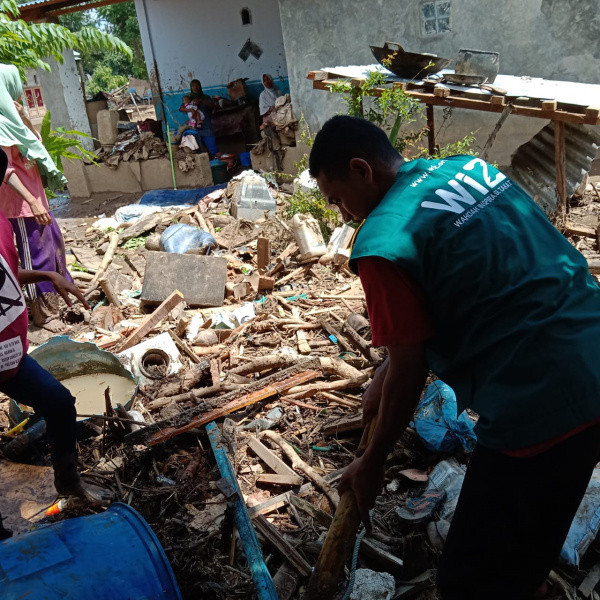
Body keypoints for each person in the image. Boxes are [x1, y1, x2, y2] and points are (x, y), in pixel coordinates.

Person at [308, 115, 600, 599]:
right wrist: (386, 367)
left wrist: (372, 462)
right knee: (532, 542)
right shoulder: (468, 170)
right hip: (591, 349)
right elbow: (481, 277)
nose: (342, 215)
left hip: (539, 401)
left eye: (337, 198)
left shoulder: (382, 242)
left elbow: (410, 371)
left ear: (362, 170)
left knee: (468, 579)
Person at [0, 147, 93, 540]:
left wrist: (47, 275)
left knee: (59, 403)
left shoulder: (3, 223)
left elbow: (5, 272)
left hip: (8, 352)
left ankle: (70, 487)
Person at [0, 64, 72, 332]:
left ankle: (60, 300)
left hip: (37, 202)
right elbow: (5, 170)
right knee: (34, 259)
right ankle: (43, 314)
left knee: (53, 248)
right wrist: (31, 201)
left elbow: (35, 142)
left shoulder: (12, 121)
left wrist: (24, 117)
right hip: (19, 206)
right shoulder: (0, 126)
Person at [175, 79, 217, 154]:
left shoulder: (206, 97)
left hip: (206, 125)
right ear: (191, 87)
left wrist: (201, 100)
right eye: (193, 86)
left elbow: (212, 106)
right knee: (196, 146)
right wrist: (191, 110)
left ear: (200, 86)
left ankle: (214, 158)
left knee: (211, 144)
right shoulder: (188, 98)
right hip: (194, 126)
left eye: (197, 85)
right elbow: (181, 109)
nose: (195, 87)